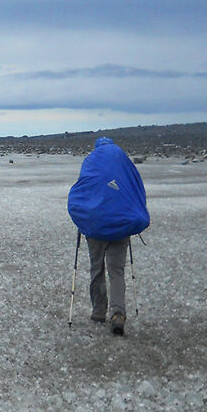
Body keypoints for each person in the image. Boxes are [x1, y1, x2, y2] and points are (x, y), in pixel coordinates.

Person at [67, 137, 149, 336]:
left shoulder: (91, 160)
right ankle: (118, 314)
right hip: (121, 226)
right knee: (117, 271)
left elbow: (84, 188)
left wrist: (82, 214)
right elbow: (135, 188)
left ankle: (98, 311)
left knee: (97, 268)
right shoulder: (123, 161)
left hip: (95, 226)